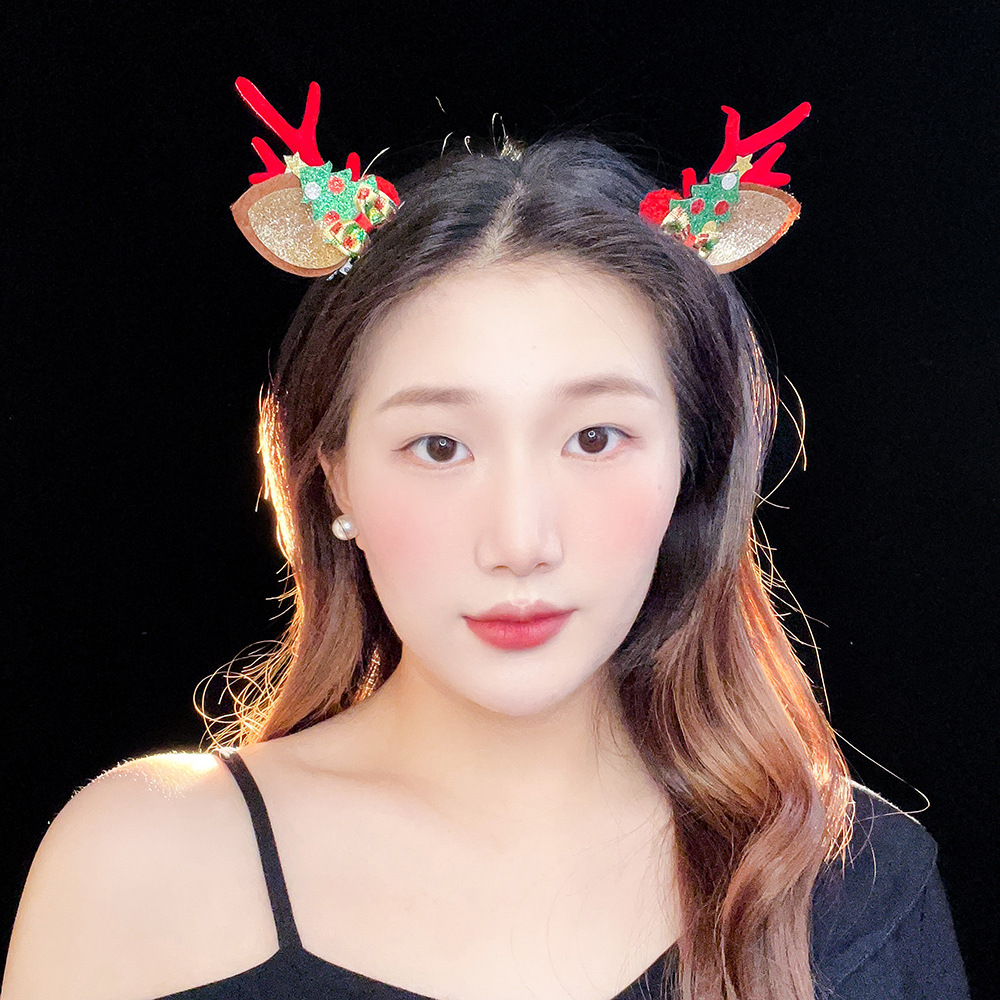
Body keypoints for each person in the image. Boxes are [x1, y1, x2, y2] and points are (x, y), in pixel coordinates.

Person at [3, 96, 971, 1000]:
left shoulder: (855, 880)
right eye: (439, 446)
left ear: (694, 464)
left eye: (594, 438)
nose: (520, 541)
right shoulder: (146, 865)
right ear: (333, 477)